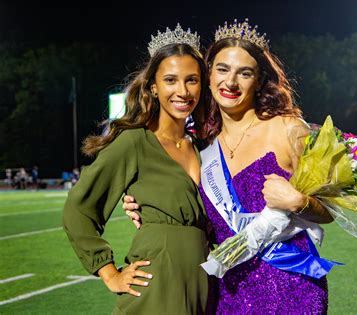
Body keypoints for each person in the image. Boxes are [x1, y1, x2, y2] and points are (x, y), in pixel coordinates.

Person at [124, 19, 336, 314]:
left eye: (244, 73)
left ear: (260, 80)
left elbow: (329, 211)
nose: (231, 82)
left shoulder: (288, 129)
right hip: (227, 287)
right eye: (222, 69)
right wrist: (144, 203)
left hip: (290, 287)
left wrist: (299, 202)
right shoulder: (201, 145)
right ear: (208, 75)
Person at [62, 24, 210, 314]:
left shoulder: (203, 147)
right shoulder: (134, 142)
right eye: (170, 80)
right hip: (155, 282)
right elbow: (78, 210)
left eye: (191, 80)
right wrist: (110, 273)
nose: (182, 91)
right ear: (153, 86)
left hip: (203, 282)